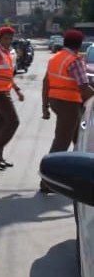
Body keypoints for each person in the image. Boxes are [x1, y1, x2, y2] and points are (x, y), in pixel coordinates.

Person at [41, 29, 94, 192]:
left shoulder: (55, 58)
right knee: (61, 142)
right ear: (79, 45)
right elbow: (84, 88)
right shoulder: (75, 61)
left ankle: (80, 176)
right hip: (69, 104)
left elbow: (45, 82)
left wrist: (45, 106)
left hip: (56, 101)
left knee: (80, 139)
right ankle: (47, 182)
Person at [0, 26, 24, 169]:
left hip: (5, 91)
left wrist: (17, 90)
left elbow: (8, 75)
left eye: (10, 38)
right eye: (6, 38)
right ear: (0, 38)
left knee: (0, 123)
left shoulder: (8, 53)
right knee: (13, 121)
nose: (8, 41)